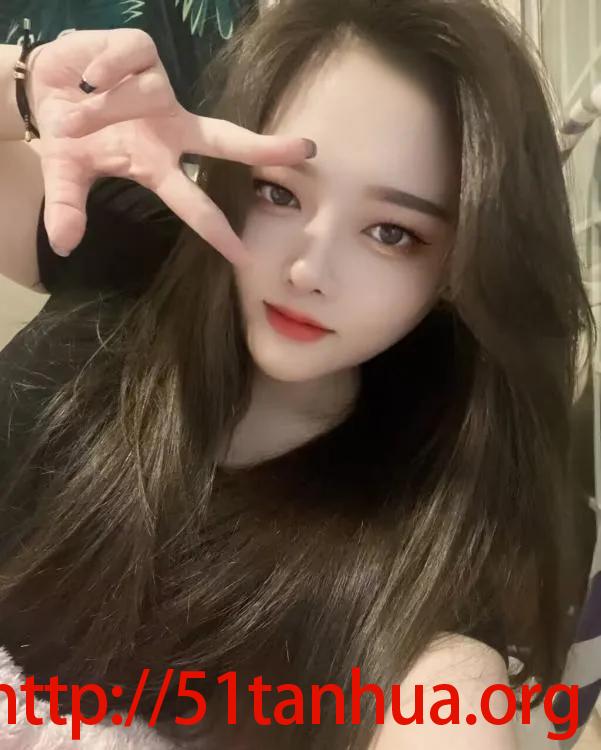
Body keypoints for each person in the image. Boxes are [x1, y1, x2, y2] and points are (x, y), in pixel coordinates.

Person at [0, 0, 595, 748]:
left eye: (392, 232)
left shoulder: (431, 576)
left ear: (459, 268)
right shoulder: (141, 253)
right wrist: (27, 87)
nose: (310, 270)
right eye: (278, 192)